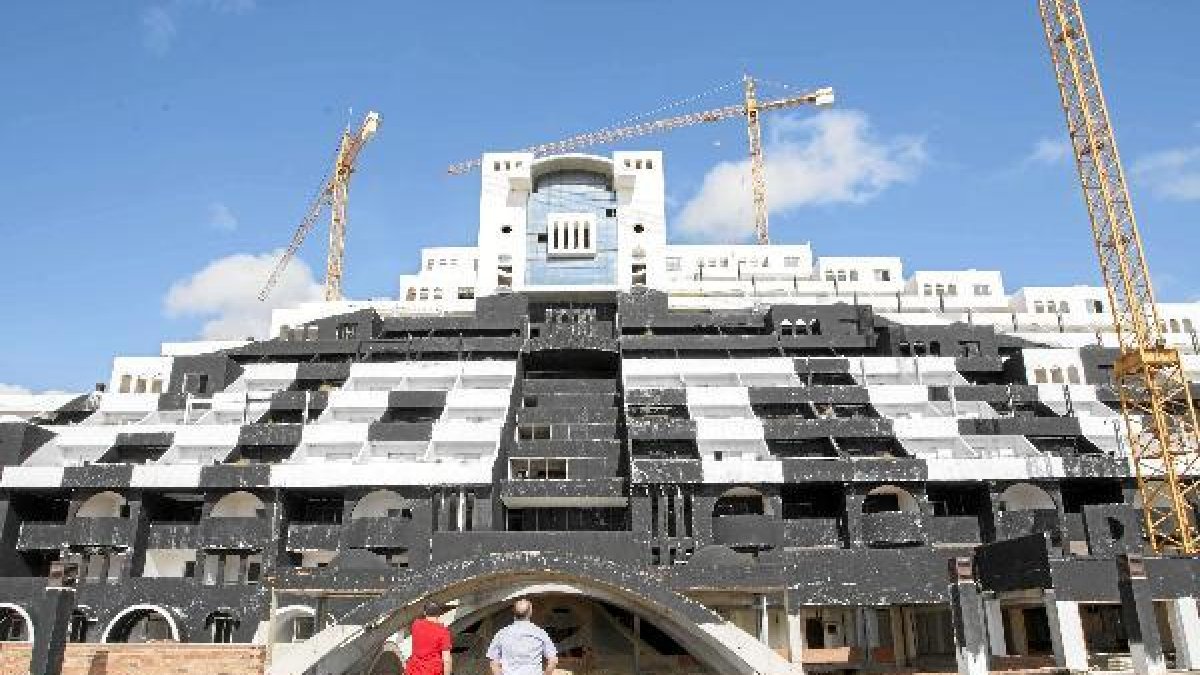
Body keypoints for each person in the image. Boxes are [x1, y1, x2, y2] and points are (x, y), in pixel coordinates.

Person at [486, 598, 558, 675]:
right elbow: (553, 661)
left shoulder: (501, 633)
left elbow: (493, 662)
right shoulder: (540, 633)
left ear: (513, 612)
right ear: (530, 612)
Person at [406, 601, 453, 675]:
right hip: (431, 671)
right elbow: (446, 659)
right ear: (439, 613)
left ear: (425, 613)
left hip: (413, 671)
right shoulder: (443, 632)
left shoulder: (416, 624)